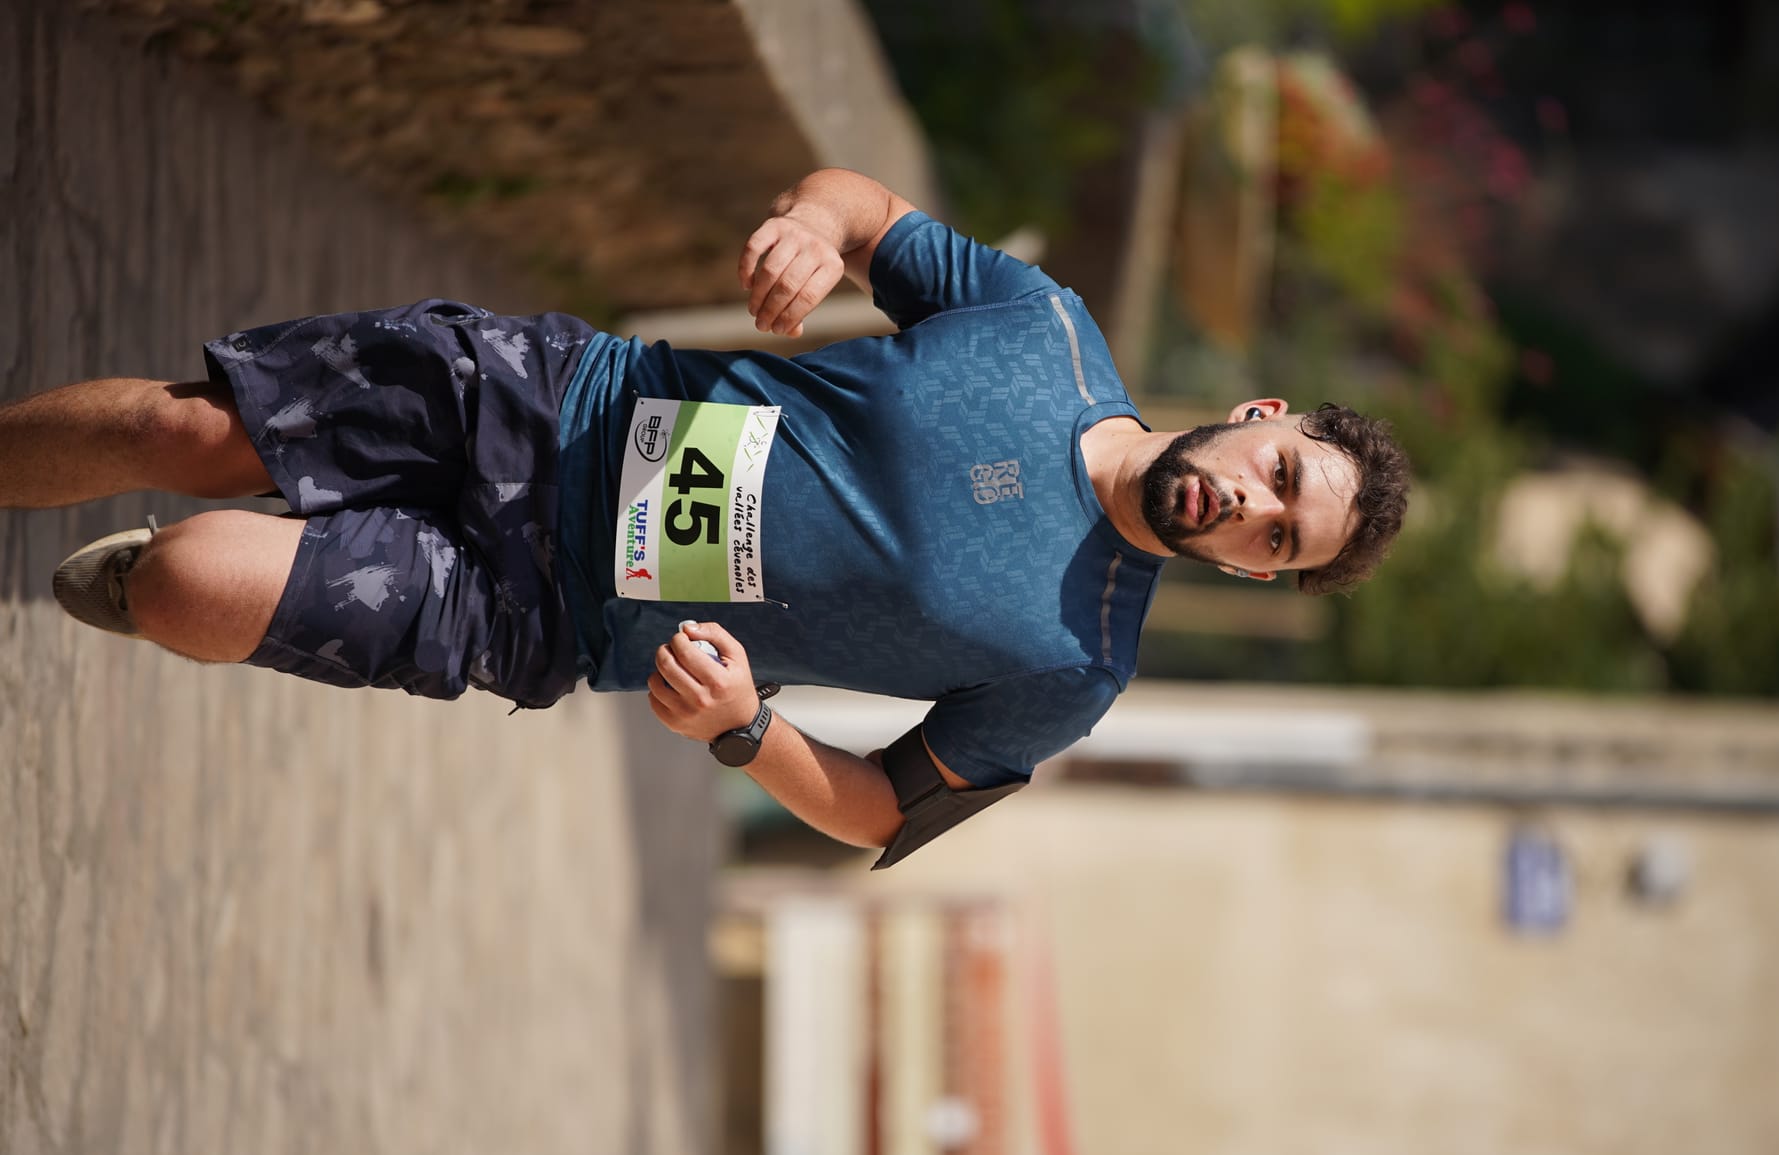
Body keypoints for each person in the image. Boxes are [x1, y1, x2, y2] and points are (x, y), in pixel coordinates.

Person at [0, 169, 1410, 866]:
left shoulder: (1073, 664)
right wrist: (808, 225)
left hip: (551, 612)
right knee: (185, 433)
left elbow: (878, 810)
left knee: (192, 579)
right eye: (1283, 483)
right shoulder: (1043, 329)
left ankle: (155, 579)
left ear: (1261, 574)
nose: (1252, 510)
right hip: (558, 400)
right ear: (1266, 420)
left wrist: (747, 731)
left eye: (1278, 540)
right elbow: (861, 213)